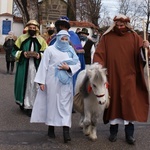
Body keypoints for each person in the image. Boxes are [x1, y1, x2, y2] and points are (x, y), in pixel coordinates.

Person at [93, 14, 150, 145]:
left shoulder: (134, 37)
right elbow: (99, 54)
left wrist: (145, 48)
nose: (119, 27)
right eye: (117, 24)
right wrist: (98, 66)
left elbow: (142, 56)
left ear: (127, 24)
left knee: (129, 104)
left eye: (122, 25)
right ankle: (113, 133)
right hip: (112, 77)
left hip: (130, 77)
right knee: (114, 105)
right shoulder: (107, 38)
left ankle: (129, 135)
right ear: (114, 24)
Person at [30, 30, 81, 143]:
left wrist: (68, 68)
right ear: (58, 38)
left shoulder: (70, 50)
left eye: (66, 39)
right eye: (62, 39)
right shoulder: (50, 50)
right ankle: (51, 128)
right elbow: (44, 66)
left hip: (66, 83)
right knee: (52, 105)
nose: (64, 41)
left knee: (66, 106)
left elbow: (77, 64)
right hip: (52, 82)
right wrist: (41, 81)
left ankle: (66, 132)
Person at [11, 20, 48, 117]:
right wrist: (23, 54)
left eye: (34, 28)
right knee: (24, 84)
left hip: (36, 66)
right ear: (27, 28)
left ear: (36, 29)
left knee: (34, 85)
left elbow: (47, 53)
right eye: (30, 28)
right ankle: (23, 102)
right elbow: (14, 51)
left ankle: (32, 105)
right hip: (24, 66)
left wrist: (39, 55)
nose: (32, 29)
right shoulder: (21, 38)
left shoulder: (41, 40)